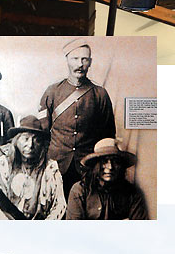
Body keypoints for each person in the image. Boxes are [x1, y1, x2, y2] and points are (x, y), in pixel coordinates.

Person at [37, 39, 116, 199]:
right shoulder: (52, 92)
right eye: (75, 59)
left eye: (84, 59)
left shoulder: (100, 94)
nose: (80, 64)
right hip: (56, 164)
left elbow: (108, 134)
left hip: (87, 166)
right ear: (67, 60)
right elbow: (41, 131)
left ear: (90, 62)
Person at [0, 116, 66, 220]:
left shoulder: (50, 169)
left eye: (36, 140)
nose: (30, 145)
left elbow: (59, 205)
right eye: (25, 139)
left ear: (42, 145)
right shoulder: (3, 166)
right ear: (16, 141)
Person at [66, 138, 148, 220]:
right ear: (95, 165)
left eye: (115, 161)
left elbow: (139, 229)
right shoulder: (80, 191)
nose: (110, 167)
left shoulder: (132, 194)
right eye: (104, 161)